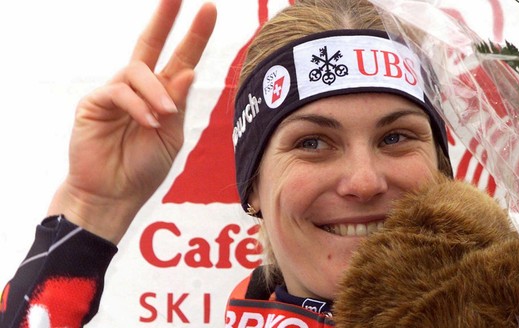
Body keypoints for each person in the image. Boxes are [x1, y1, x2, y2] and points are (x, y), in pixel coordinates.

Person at [0, 0, 459, 326]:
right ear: (253, 185)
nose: (364, 181)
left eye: (395, 137)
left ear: (442, 167)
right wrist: (92, 210)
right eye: (315, 143)